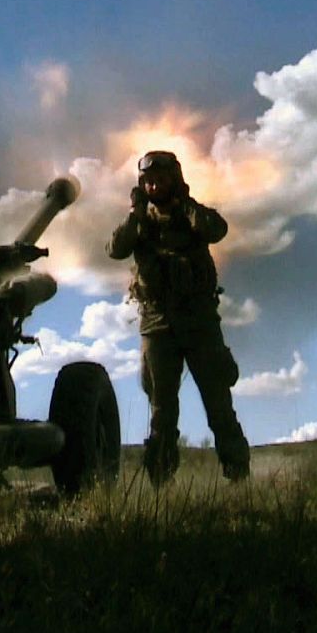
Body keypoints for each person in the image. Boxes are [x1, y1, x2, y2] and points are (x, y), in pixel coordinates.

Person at [107, 150, 251, 485]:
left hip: (199, 323)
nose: (155, 184)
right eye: (148, 180)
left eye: (161, 178)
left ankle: (238, 475)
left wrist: (186, 205)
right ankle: (161, 483)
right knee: (161, 412)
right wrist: (135, 212)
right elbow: (115, 248)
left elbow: (217, 230)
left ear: (174, 178)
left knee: (218, 404)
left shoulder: (192, 215)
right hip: (158, 325)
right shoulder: (140, 221)